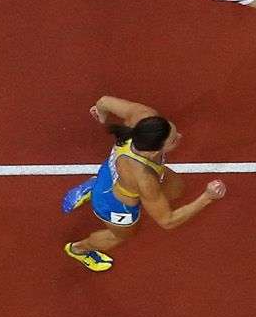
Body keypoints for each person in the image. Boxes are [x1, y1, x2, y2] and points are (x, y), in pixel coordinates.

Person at [61, 97, 225, 273]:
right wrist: (207, 198)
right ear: (153, 152)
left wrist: (101, 115)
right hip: (113, 203)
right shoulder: (144, 180)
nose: (180, 136)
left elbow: (104, 101)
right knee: (121, 235)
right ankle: (78, 249)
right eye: (173, 140)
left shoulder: (144, 116)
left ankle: (96, 183)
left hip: (114, 170)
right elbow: (168, 221)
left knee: (176, 189)